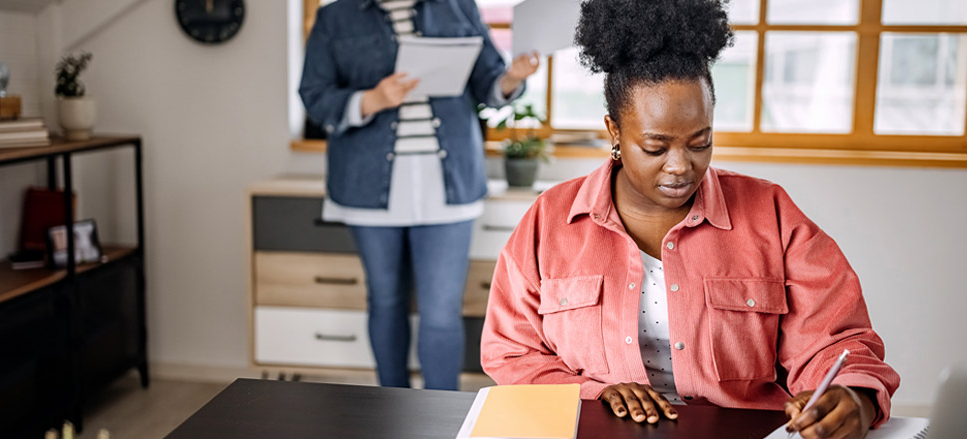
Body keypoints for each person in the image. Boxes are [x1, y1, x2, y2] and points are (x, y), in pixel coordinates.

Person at [479, 0, 900, 437]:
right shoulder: (550, 220)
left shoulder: (771, 214)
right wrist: (590, 391)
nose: (681, 166)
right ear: (614, 131)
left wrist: (855, 396)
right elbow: (511, 352)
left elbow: (838, 341)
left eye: (700, 142)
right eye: (656, 147)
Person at [299, 0, 540, 391]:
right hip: (366, 186)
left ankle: (444, 417)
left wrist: (512, 77)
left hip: (449, 185)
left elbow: (489, 84)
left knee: (443, 312)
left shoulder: (458, 7)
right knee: (386, 301)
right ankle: (392, 405)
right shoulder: (334, 16)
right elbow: (314, 95)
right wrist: (372, 99)